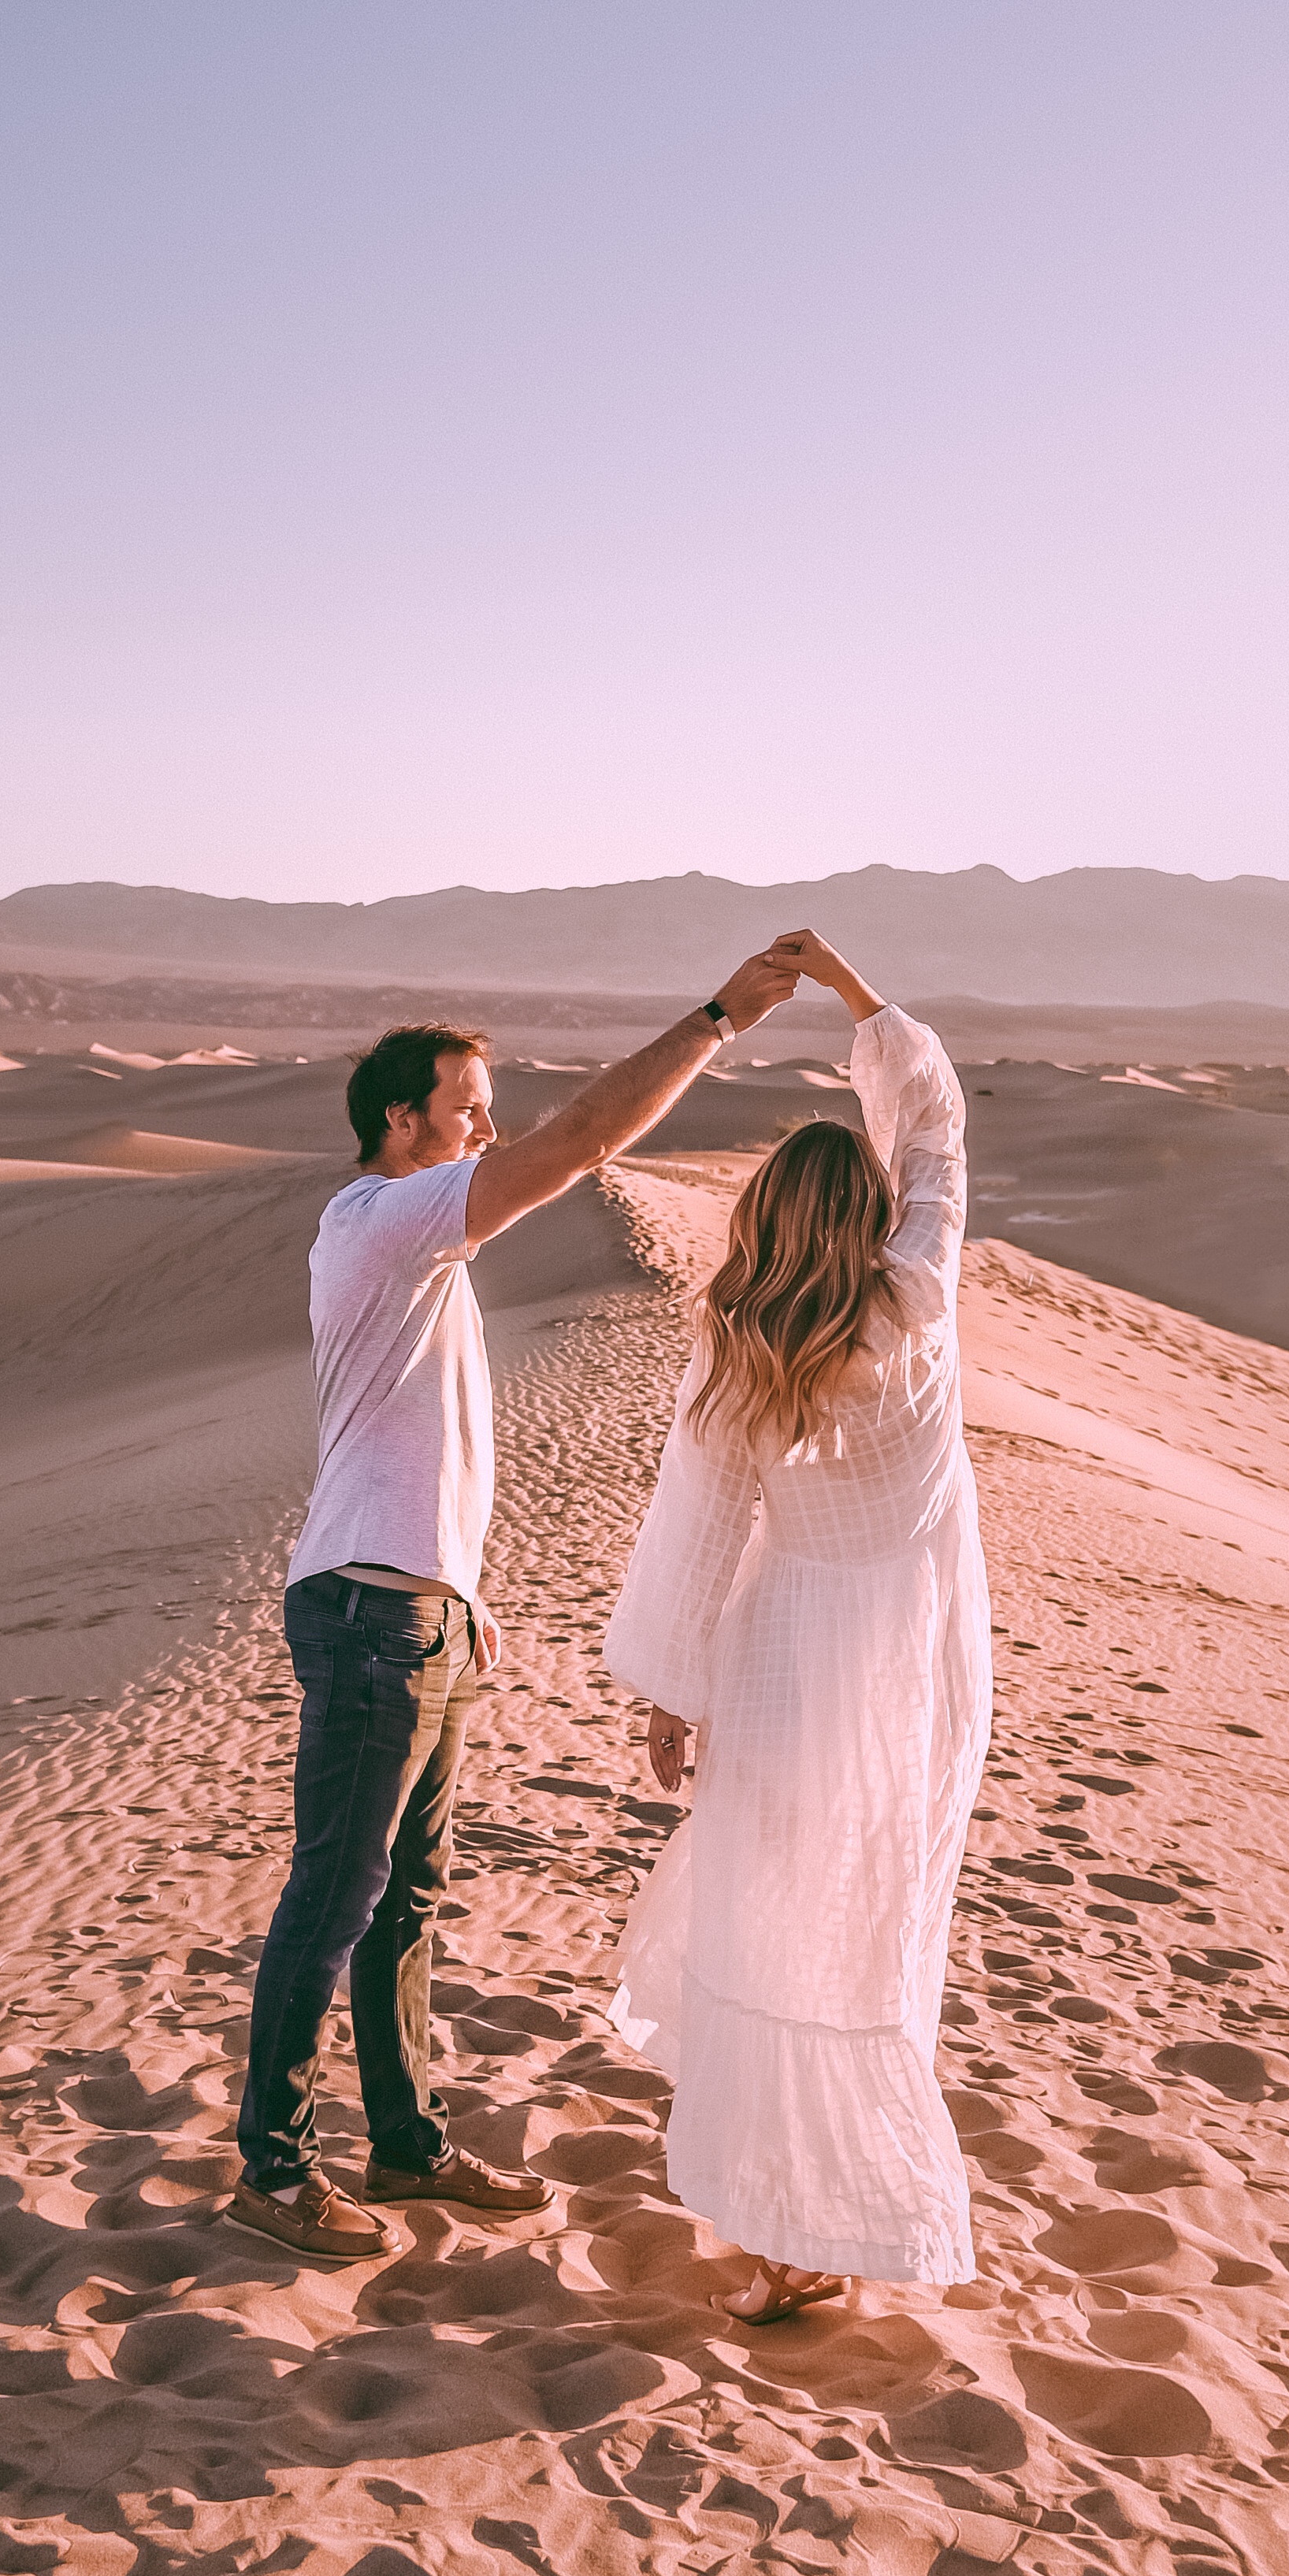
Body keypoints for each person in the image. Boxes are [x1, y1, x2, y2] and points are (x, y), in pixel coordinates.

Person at [228, 945, 804, 2261]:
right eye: (467, 1101)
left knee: (405, 1899)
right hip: (372, 1612)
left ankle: (406, 2143)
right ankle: (270, 2166)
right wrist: (718, 1018)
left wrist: (464, 1593)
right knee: (337, 1892)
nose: (485, 1121)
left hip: (422, 1610)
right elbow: (585, 1139)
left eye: (486, 1103)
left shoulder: (415, 1240)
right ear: (400, 1120)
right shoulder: (385, 1218)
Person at [603, 932, 990, 2320]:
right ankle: (816, 2230)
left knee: (763, 1917)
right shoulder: (919, 1298)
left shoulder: (733, 1332)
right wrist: (853, 992)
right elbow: (935, 1128)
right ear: (869, 1213)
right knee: (869, 1918)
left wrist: (669, 1692)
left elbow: (696, 1532)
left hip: (774, 1657)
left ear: (761, 1216)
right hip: (904, 1657)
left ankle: (765, 2220)